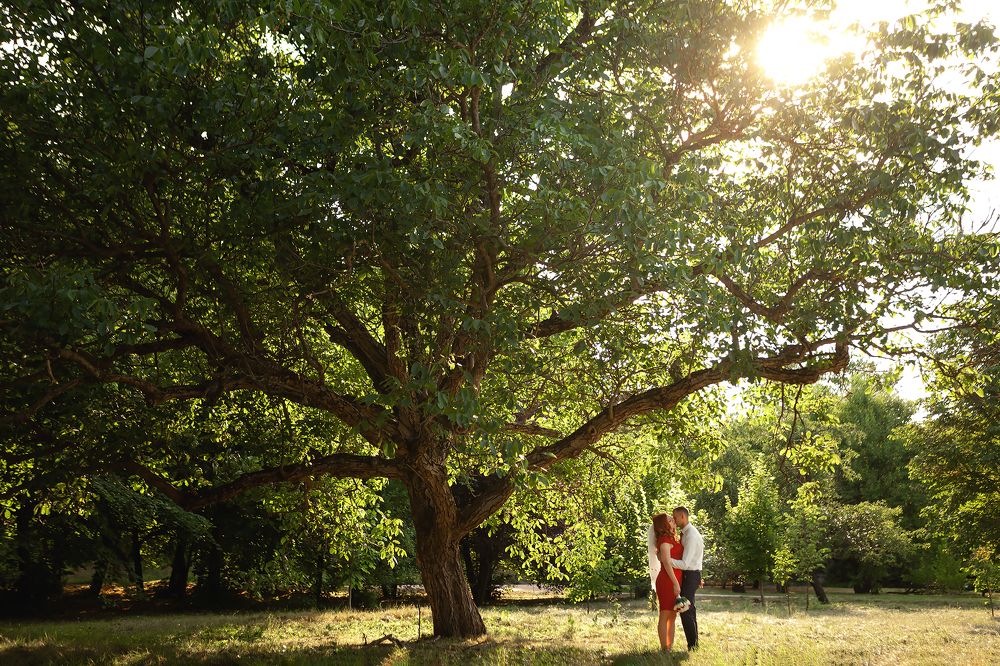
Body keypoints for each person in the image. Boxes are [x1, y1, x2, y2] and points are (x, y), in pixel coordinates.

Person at [668, 506, 704, 650]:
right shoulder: (687, 533)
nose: (674, 520)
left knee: (685, 610)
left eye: (675, 517)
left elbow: (685, 564)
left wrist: (666, 560)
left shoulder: (691, 536)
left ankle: (692, 646)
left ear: (683, 516)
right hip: (691, 574)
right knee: (689, 609)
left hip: (690, 574)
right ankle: (694, 644)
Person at [649, 512, 683, 651]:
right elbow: (667, 563)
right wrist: (675, 583)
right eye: (670, 520)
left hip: (675, 578)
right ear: (664, 525)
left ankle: (669, 647)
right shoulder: (664, 540)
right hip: (667, 580)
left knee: (673, 615)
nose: (673, 520)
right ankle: (664, 648)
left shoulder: (672, 538)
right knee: (665, 614)